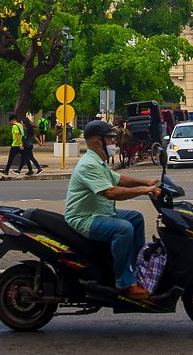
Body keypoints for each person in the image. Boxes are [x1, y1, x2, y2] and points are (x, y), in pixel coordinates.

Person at [64, 119, 161, 300]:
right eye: (110, 139)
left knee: (136, 218)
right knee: (124, 229)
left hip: (101, 212)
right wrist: (144, 191)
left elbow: (117, 179)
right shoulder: (89, 165)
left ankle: (136, 269)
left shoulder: (99, 161)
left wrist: (146, 182)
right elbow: (110, 192)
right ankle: (124, 282)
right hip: (85, 218)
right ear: (97, 142)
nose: (114, 143)